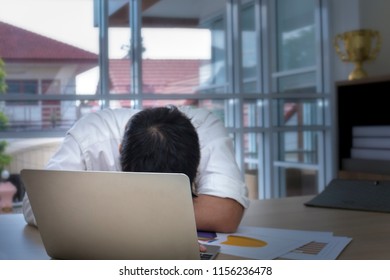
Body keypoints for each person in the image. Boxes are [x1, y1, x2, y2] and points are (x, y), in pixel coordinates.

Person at [22, 106, 249, 233]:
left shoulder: (207, 129)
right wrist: (166, 211)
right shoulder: (90, 134)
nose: (154, 201)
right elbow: (38, 205)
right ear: (120, 151)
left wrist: (102, 210)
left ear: (197, 159)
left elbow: (224, 214)